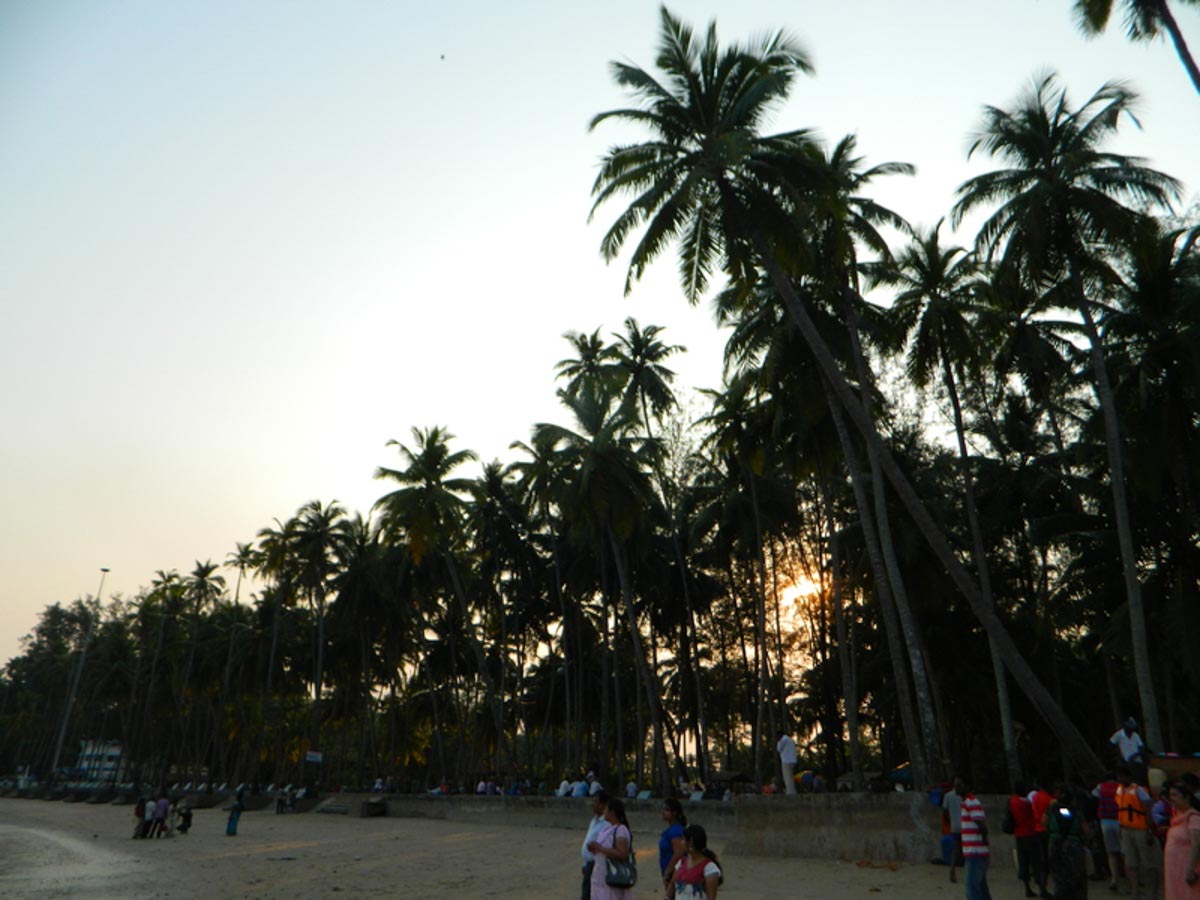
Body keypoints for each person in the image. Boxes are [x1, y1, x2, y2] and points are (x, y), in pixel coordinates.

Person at [1116, 764, 1160, 899]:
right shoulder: (1120, 790)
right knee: (1131, 863)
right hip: (1126, 829)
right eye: (1119, 776)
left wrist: (1149, 831)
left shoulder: (1139, 790)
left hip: (1140, 829)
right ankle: (1135, 893)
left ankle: (1152, 893)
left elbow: (1147, 810)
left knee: (1148, 863)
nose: (1121, 779)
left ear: (1129, 776)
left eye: (1123, 776)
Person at [1046, 782, 1089, 900]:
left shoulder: (1052, 810)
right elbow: (1086, 830)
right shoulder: (1076, 811)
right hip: (1074, 844)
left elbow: (1044, 822)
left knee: (1058, 875)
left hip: (1056, 843)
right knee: (1077, 875)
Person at [586, 797, 634, 900]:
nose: (604, 811)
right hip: (601, 877)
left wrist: (600, 848)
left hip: (613, 878)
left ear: (612, 812)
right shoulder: (607, 828)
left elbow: (622, 853)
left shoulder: (621, 830)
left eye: (606, 809)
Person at [1164, 780, 1200, 900]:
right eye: (1170, 795)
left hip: (1186, 867)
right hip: (1174, 868)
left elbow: (1197, 845)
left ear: (1186, 797)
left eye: (1175, 795)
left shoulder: (1193, 817)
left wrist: (1190, 869)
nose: (1171, 798)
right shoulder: (1177, 816)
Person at [669, 824, 722, 899]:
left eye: (683, 839)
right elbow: (672, 885)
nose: (681, 842)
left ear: (690, 842)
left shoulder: (709, 868)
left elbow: (711, 897)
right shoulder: (681, 862)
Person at [960, 777, 991, 900]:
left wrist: (983, 839)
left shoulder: (970, 802)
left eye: (959, 785)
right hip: (975, 851)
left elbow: (981, 824)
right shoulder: (967, 802)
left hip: (975, 851)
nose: (956, 788)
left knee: (972, 887)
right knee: (981, 887)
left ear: (967, 786)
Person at [1009, 782, 1042, 898]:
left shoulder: (1012, 801)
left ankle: (1027, 888)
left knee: (1024, 862)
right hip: (1030, 833)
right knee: (1037, 861)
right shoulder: (1026, 803)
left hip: (1019, 834)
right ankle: (1041, 887)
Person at [1094, 772, 1124, 891]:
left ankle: (1114, 879)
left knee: (1111, 852)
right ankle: (1130, 878)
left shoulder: (1100, 787)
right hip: (1119, 820)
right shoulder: (1121, 787)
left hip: (1105, 820)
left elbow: (1094, 795)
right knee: (1123, 852)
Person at [580, 791, 610, 900]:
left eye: (596, 802)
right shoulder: (594, 820)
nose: (593, 804)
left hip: (597, 865)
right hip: (589, 864)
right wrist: (585, 863)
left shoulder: (607, 824)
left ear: (604, 805)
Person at [660, 798, 688, 888]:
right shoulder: (672, 830)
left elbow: (679, 852)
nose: (663, 812)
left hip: (675, 874)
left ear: (674, 813)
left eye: (667, 810)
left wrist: (668, 871)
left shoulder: (675, 831)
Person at [1113, 718, 1150, 784]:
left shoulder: (1135, 735)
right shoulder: (1119, 735)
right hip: (1127, 762)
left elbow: (1141, 748)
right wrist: (1119, 754)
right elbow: (1111, 744)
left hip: (1137, 761)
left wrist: (1134, 756)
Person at [943, 778, 965, 884]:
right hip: (965, 826)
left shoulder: (948, 796)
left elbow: (945, 811)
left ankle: (952, 869)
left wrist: (951, 820)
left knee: (956, 849)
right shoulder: (964, 796)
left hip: (955, 826)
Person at [776, 730, 797, 795]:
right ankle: (792, 790)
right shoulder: (790, 740)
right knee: (790, 776)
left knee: (787, 777)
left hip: (786, 760)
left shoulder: (782, 740)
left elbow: (778, 749)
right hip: (792, 760)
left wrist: (778, 742)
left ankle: (790, 792)